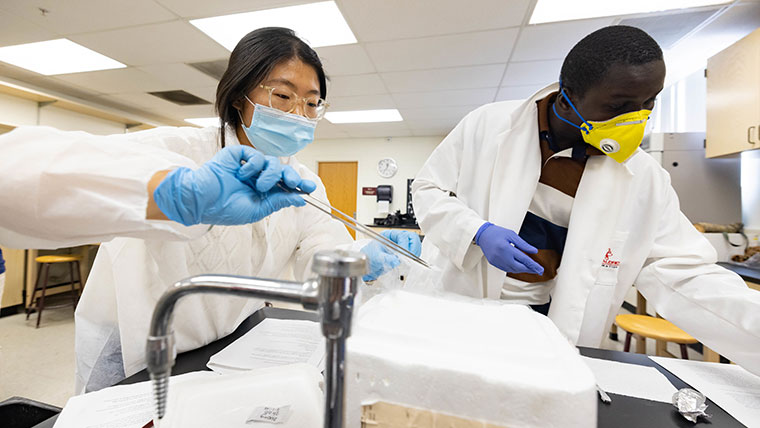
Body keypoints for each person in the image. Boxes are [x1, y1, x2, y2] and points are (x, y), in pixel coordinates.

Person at [0, 27, 420, 392]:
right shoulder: (179, 150)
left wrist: (359, 259)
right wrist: (179, 194)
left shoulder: (303, 180)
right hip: (139, 349)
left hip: (229, 348)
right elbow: (24, 175)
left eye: (312, 103)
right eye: (283, 95)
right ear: (240, 96)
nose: (300, 114)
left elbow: (319, 251)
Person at [411, 25, 760, 375]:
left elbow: (685, 274)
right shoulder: (488, 125)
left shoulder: (645, 179)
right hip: (463, 310)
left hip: (550, 330)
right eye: (618, 106)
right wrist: (476, 231)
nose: (636, 119)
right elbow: (427, 189)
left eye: (648, 103)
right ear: (567, 99)